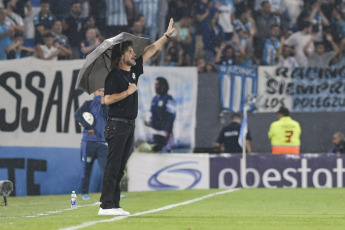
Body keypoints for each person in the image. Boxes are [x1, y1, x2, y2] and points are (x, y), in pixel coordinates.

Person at [98, 18, 175, 216]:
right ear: (121, 55)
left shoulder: (133, 71)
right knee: (113, 165)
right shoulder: (113, 75)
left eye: (133, 51)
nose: (134, 54)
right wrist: (128, 92)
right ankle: (105, 205)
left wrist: (166, 36)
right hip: (116, 124)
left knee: (120, 167)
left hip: (128, 125)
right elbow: (106, 100)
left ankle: (114, 205)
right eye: (130, 51)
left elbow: (150, 50)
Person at [74, 88, 108, 201]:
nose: (101, 93)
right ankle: (84, 193)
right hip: (89, 143)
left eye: (103, 91)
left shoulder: (108, 105)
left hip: (103, 143)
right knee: (86, 168)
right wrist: (88, 127)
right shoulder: (88, 104)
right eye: (99, 91)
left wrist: (105, 105)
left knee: (107, 169)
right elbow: (78, 115)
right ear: (94, 92)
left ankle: (110, 193)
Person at [144, 77, 176, 152]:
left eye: (157, 84)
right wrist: (149, 123)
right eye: (155, 84)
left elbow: (171, 117)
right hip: (155, 133)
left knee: (166, 155)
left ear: (163, 86)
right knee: (155, 153)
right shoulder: (154, 99)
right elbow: (152, 114)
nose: (155, 86)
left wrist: (167, 130)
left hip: (165, 134)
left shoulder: (168, 99)